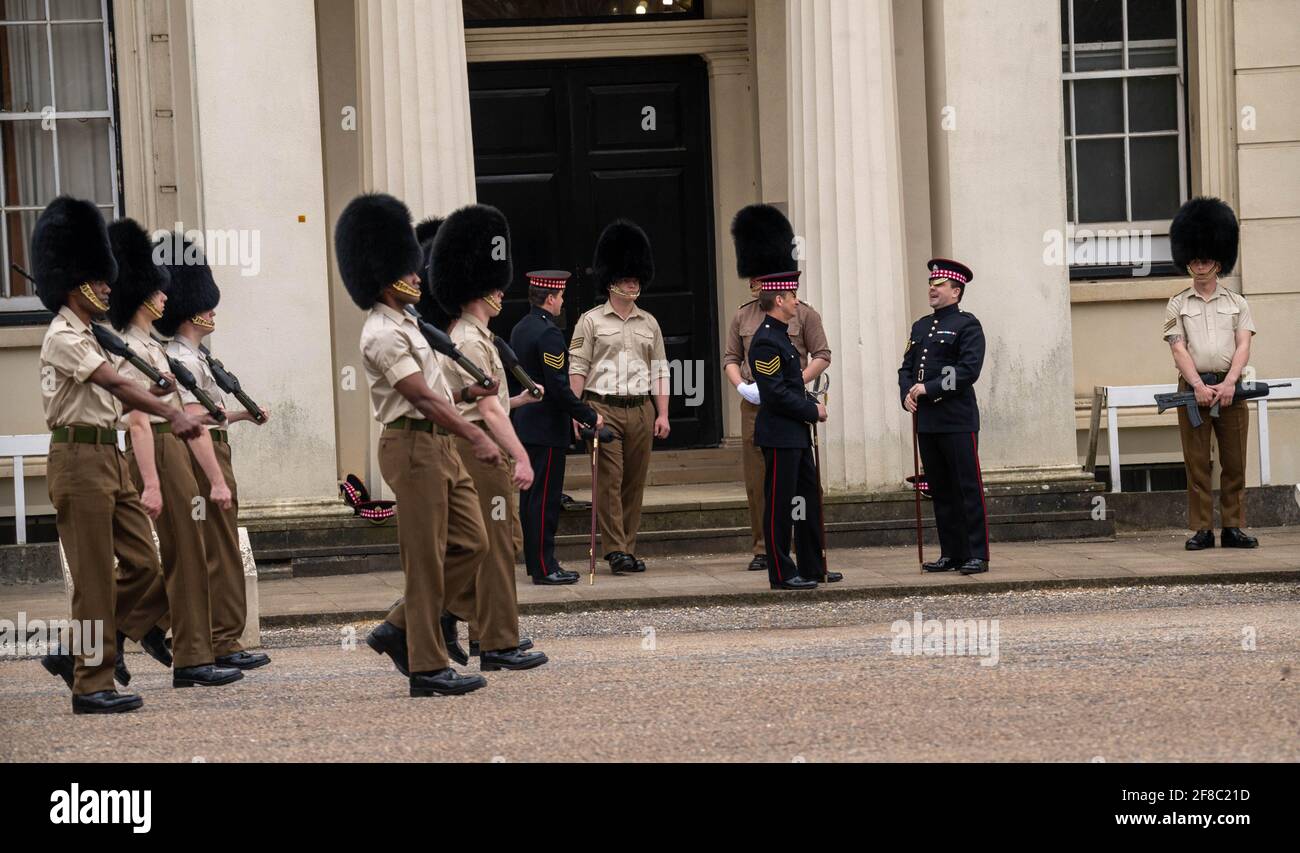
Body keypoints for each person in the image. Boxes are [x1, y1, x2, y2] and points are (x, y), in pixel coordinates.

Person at [32, 197, 206, 713]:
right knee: (92, 581)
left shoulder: (94, 335)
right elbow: (112, 383)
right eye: (99, 278)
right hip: (78, 460)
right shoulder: (63, 336)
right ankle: (91, 683)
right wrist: (170, 412)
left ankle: (78, 651)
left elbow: (122, 378)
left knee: (146, 567)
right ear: (73, 281)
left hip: (109, 457)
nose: (109, 285)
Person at [337, 193, 501, 697]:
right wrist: (474, 430)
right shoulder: (381, 334)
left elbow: (437, 391)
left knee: (473, 542)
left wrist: (468, 394)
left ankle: (396, 627)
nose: (417, 277)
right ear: (383, 277)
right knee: (427, 557)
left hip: (437, 445)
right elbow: (421, 398)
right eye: (407, 272)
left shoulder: (411, 325)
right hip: (413, 445)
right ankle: (427, 667)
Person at [107, 218, 246, 687]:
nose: (166, 298)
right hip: (160, 450)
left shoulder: (151, 347)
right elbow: (139, 419)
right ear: (141, 294)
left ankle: (186, 652)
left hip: (177, 445)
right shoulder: (129, 346)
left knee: (189, 554)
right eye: (157, 291)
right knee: (181, 555)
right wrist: (149, 480)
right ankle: (184, 653)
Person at [427, 203, 548, 671]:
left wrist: (519, 402)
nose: (503, 293)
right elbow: (486, 411)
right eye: (497, 288)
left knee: (499, 539)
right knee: (497, 542)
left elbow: (485, 401)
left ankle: (481, 626)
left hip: (476, 441)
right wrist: (521, 456)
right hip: (482, 450)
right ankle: (494, 639)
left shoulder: (471, 334)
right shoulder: (472, 339)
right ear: (483, 290)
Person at [156, 239, 271, 670]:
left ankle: (226, 637)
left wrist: (243, 415)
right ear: (191, 311)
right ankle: (218, 637)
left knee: (222, 548)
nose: (213, 311)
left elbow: (210, 415)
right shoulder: (178, 357)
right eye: (206, 305)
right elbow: (190, 417)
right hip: (200, 458)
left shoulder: (199, 357)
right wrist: (217, 478)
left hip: (215, 449)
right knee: (213, 550)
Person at [725, 204, 831, 572]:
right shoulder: (750, 320)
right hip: (766, 405)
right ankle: (770, 553)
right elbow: (732, 358)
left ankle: (807, 558)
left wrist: (795, 386)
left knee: (803, 491)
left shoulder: (800, 316)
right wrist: (743, 388)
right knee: (765, 485)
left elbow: (820, 354)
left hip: (790, 406)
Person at [568, 220, 668, 575]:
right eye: (627, 279)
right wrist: (576, 411)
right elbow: (577, 366)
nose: (633, 283)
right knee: (608, 481)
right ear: (612, 282)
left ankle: (627, 545)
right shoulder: (590, 321)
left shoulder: (649, 323)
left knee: (633, 482)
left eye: (636, 278)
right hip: (601, 408)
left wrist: (662, 413)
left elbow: (660, 370)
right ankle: (615, 550)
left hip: (640, 408)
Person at [1163, 197, 1258, 551]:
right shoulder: (1178, 304)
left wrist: (1230, 382)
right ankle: (1202, 528)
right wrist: (1199, 386)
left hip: (1231, 388)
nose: (1199, 263)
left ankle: (1233, 526)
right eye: (1194, 257)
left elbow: (1243, 345)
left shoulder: (1237, 303)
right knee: (1198, 463)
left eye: (1205, 257)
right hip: (1193, 390)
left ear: (1218, 260)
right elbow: (1177, 348)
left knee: (1234, 461)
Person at [748, 270, 839, 590]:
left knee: (807, 499)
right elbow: (775, 394)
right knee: (780, 504)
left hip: (794, 433)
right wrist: (811, 410)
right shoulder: (765, 341)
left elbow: (791, 384)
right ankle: (782, 572)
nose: (796, 301)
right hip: (779, 434)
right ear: (778, 300)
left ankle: (812, 565)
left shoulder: (781, 336)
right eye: (791, 296)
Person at [509, 270, 601, 585]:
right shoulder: (549, 334)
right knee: (544, 502)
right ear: (550, 298)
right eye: (560, 297)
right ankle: (545, 566)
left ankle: (537, 564)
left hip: (526, 426)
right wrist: (589, 416)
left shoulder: (521, 328)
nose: (562, 302)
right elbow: (558, 388)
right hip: (546, 428)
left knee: (531, 499)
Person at [898, 259, 989, 575]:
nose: (932, 289)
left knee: (966, 487)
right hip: (928, 420)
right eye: (931, 284)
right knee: (940, 489)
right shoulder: (921, 326)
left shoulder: (967, 325)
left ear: (956, 290)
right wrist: (907, 392)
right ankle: (952, 552)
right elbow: (906, 367)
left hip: (957, 419)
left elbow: (967, 371)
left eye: (939, 285)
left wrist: (929, 388)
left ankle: (976, 553)